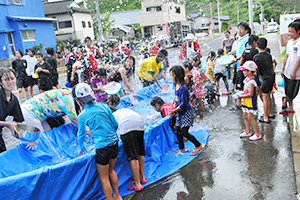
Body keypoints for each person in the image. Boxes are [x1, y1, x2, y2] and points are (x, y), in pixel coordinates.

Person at [72, 83, 122, 200]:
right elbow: (115, 124)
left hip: (102, 148)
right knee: (111, 171)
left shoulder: (83, 115)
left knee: (103, 177)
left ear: (78, 100)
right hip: (114, 144)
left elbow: (81, 134)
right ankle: (117, 196)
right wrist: (113, 133)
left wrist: (81, 147)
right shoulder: (104, 107)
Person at [107, 96, 147, 192]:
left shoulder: (111, 116)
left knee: (133, 156)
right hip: (139, 121)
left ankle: (137, 184)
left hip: (128, 125)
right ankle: (142, 177)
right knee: (140, 153)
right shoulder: (122, 111)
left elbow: (112, 132)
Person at [168, 65, 204, 155]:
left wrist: (174, 110)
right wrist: (174, 100)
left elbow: (184, 104)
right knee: (178, 129)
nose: (171, 77)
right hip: (180, 112)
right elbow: (177, 96)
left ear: (179, 76)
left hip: (187, 112)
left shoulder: (183, 88)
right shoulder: (175, 84)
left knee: (184, 131)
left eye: (172, 75)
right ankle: (182, 148)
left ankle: (198, 145)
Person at [0, 68, 23, 153]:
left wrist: (27, 137)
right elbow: (9, 124)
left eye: (12, 78)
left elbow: (19, 121)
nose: (10, 82)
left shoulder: (13, 100)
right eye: (6, 79)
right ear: (1, 82)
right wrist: (8, 124)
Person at [237, 61, 262, 140]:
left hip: (250, 102)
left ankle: (258, 133)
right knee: (245, 116)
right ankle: (248, 131)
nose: (243, 72)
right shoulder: (247, 79)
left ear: (249, 71)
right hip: (245, 101)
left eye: (244, 70)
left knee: (250, 117)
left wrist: (241, 96)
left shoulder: (252, 81)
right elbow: (245, 91)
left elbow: (250, 94)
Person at [253, 38, 275, 123]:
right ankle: (269, 113)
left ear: (257, 45)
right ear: (266, 46)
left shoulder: (256, 57)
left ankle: (265, 117)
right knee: (268, 96)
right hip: (271, 77)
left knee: (265, 97)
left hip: (265, 78)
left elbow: (255, 70)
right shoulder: (268, 55)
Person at [280, 21, 300, 114]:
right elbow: (286, 56)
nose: (290, 34)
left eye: (292, 32)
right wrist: (283, 69)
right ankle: (290, 106)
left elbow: (299, 58)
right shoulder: (289, 43)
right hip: (287, 70)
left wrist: (294, 71)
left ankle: (285, 101)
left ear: (298, 31)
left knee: (293, 92)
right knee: (287, 89)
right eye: (289, 32)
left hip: (296, 72)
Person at [189, 53, 208, 120]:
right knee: (196, 102)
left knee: (201, 103)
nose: (191, 63)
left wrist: (198, 82)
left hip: (199, 89)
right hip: (194, 89)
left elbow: (206, 79)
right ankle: (198, 114)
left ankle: (202, 115)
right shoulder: (192, 69)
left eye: (192, 61)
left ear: (197, 61)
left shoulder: (200, 70)